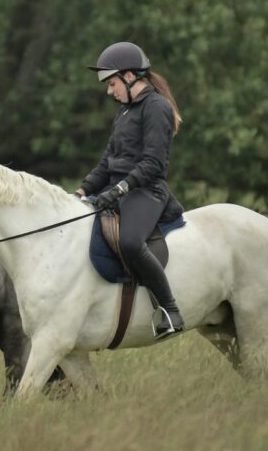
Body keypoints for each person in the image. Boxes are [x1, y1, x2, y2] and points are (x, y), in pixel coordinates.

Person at [75, 42, 186, 340]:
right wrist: (83, 190)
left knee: (130, 242)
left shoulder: (157, 108)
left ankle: (170, 310)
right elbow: (107, 161)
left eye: (112, 84)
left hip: (147, 191)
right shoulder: (124, 113)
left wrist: (122, 188)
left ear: (129, 76)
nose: (110, 91)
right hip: (119, 189)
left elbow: (153, 163)